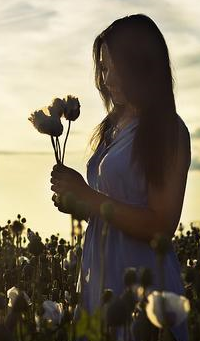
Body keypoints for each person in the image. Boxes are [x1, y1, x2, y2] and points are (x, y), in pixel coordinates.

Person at [49, 14, 191, 341]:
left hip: (142, 282)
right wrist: (81, 206)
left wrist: (89, 197)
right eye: (102, 67)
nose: (105, 77)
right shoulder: (112, 128)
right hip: (101, 276)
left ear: (140, 66)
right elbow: (113, 207)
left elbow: (161, 225)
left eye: (113, 67)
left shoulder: (168, 130)